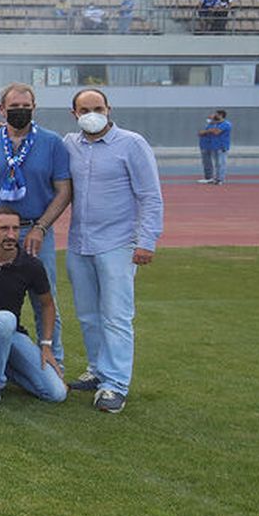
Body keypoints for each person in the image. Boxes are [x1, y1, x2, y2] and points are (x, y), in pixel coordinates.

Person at [64, 89, 164, 414]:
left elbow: (150, 195)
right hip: (80, 243)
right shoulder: (69, 145)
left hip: (118, 244)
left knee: (117, 316)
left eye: (97, 108)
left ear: (108, 109)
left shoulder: (132, 144)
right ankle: (97, 369)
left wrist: (147, 241)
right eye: (85, 109)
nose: (92, 113)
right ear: (74, 113)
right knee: (88, 315)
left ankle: (115, 384)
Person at [0, 82, 72, 369]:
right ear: (2, 109)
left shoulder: (52, 143)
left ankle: (53, 360)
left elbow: (63, 191)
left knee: (44, 298)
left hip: (35, 230)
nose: (20, 112)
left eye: (26, 107)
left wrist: (42, 227)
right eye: (14, 108)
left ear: (34, 108)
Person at [0, 207, 68, 408]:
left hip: (10, 332)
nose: (11, 235)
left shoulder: (31, 265)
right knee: (4, 318)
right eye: (4, 229)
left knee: (56, 393)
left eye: (15, 229)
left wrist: (46, 345)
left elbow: (47, 305)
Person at [197, 109, 232, 185]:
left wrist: (210, 130)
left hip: (222, 146)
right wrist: (210, 130)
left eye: (216, 114)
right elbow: (201, 132)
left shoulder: (226, 124)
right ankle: (214, 178)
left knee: (221, 163)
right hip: (215, 146)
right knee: (216, 163)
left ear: (221, 115)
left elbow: (216, 132)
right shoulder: (214, 124)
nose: (214, 115)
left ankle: (220, 179)